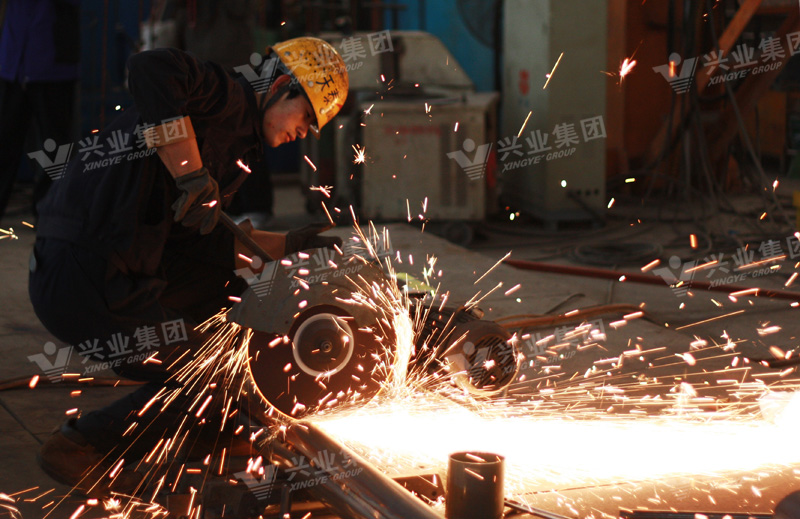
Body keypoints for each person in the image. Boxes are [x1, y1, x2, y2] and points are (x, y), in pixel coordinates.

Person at [28, 37, 348, 497]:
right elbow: (150, 68)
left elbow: (203, 243)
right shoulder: (222, 96)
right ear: (281, 87)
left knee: (237, 311)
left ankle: (212, 428)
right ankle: (81, 446)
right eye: (306, 118)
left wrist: (290, 244)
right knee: (206, 367)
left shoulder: (239, 146)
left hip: (114, 267)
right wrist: (189, 171)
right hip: (82, 274)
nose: (305, 132)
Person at [0, 0, 80, 220]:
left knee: (55, 146)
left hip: (52, 61)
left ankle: (49, 213)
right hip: (15, 62)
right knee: (5, 140)